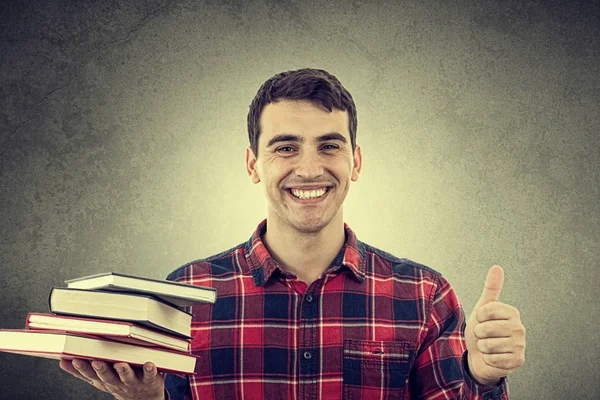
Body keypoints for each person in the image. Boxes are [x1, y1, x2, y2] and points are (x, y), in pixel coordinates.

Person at [59, 68, 526, 399]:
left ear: (355, 162)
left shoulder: (424, 294)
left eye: (329, 145)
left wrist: (481, 377)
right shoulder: (186, 295)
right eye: (285, 147)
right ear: (253, 164)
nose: (309, 168)